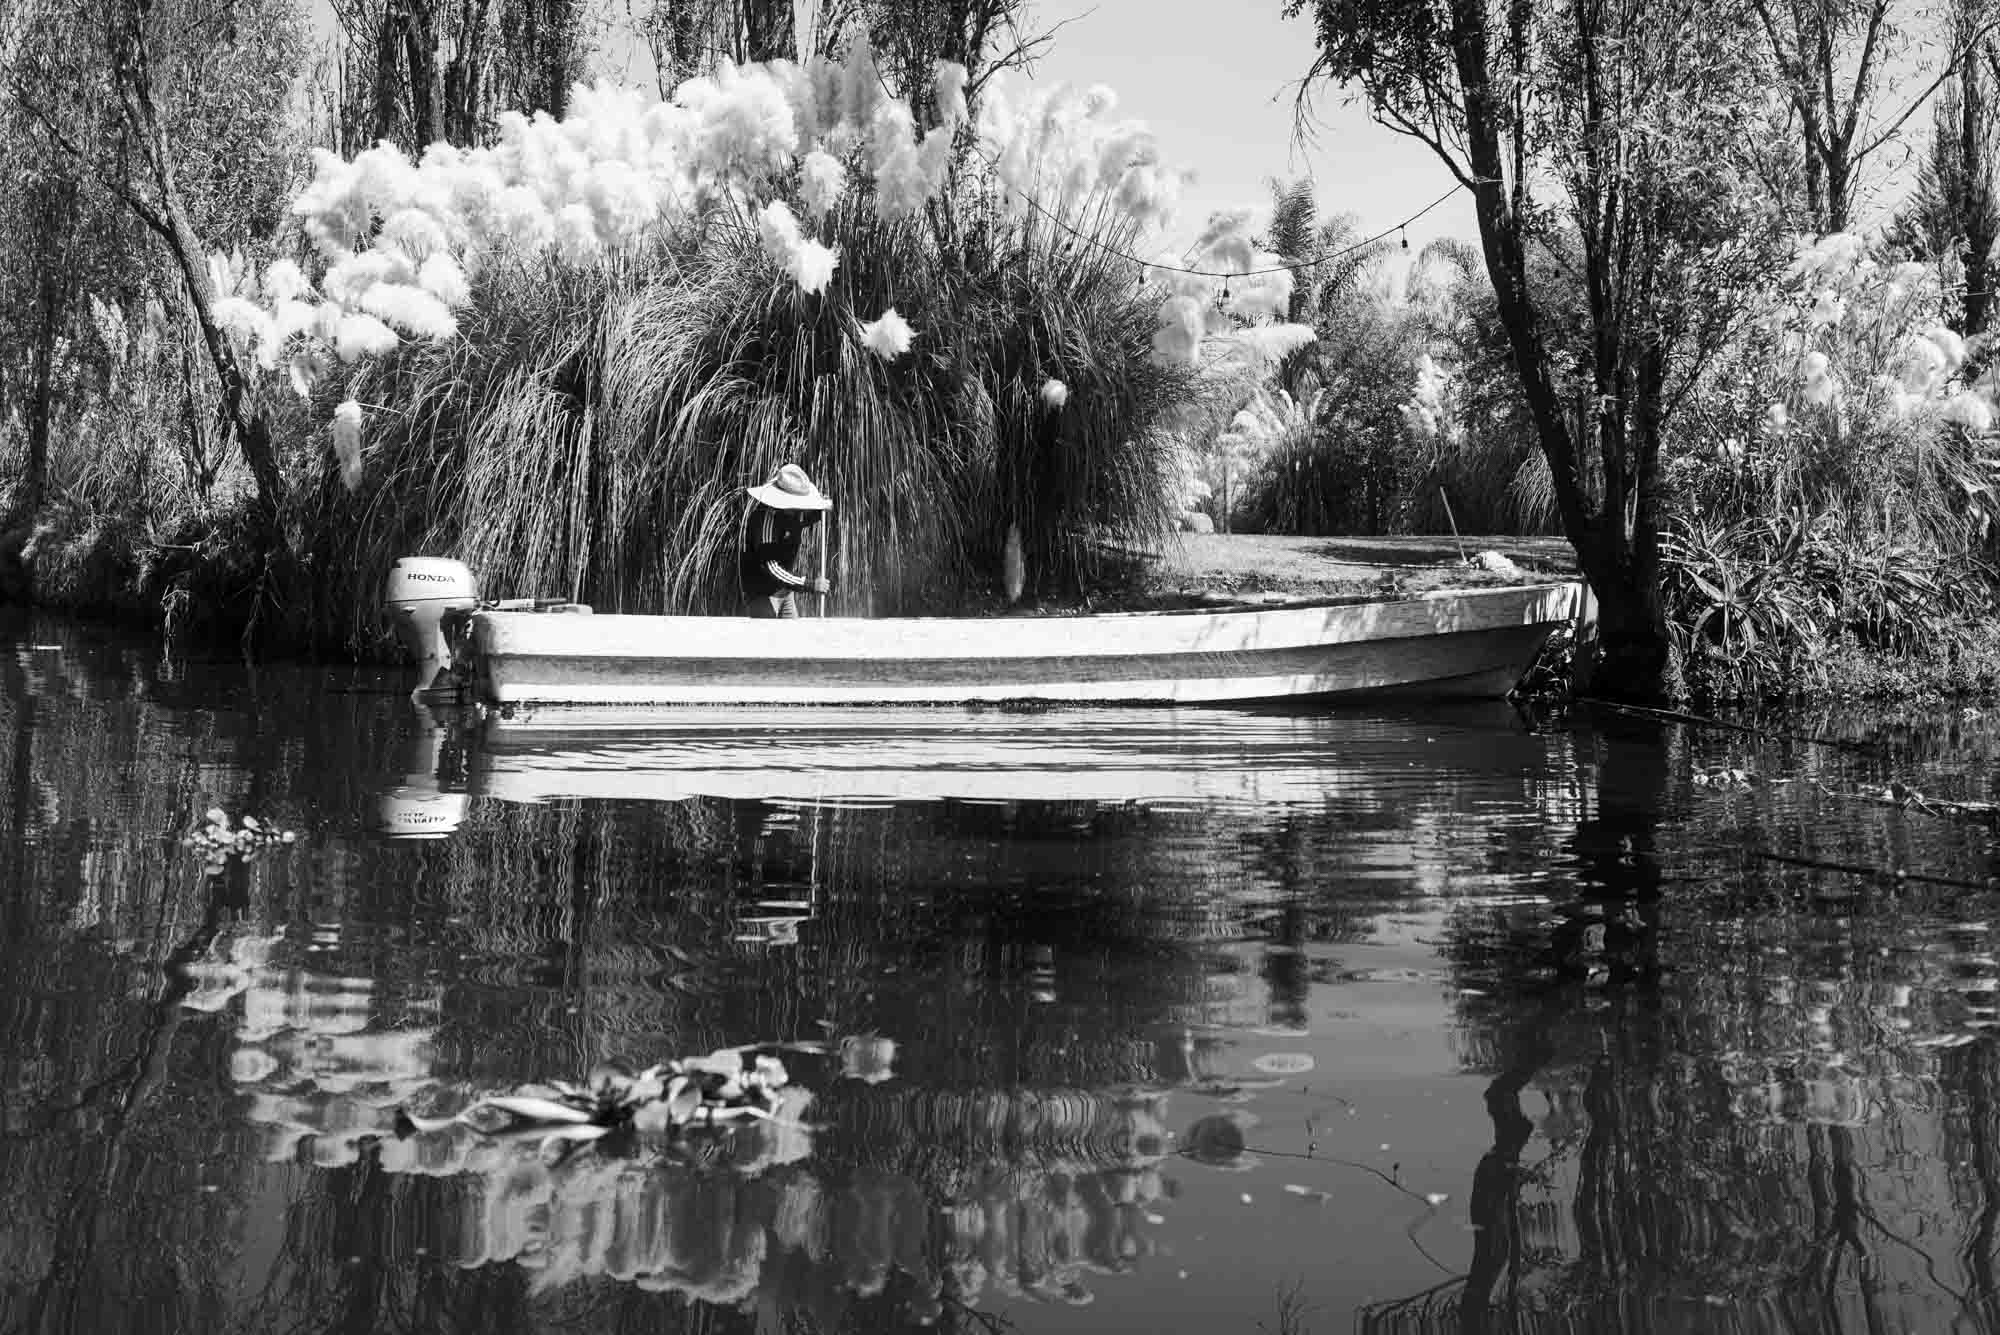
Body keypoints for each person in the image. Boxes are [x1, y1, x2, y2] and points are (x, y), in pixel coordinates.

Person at [739, 463, 832, 618]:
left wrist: (824, 506)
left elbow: (803, 521)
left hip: (785, 592)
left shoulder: (792, 513)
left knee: (793, 639)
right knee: (767, 639)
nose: (799, 509)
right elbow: (773, 569)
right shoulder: (765, 522)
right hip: (763, 595)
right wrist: (810, 585)